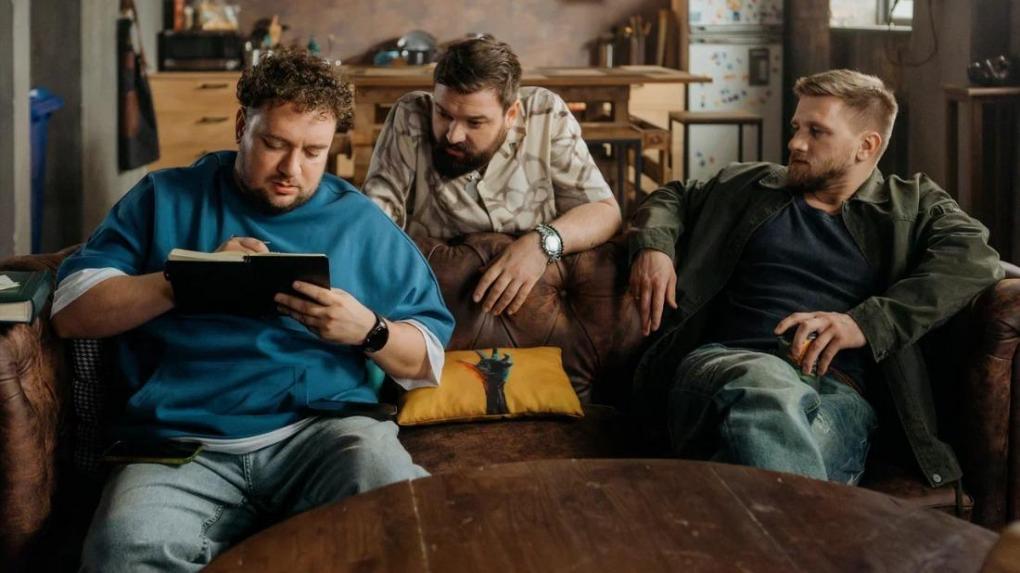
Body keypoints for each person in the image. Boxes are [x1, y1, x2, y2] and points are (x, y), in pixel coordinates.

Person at [51, 49, 455, 572]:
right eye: (274, 144)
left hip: (326, 436)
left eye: (313, 152)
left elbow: (427, 359)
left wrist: (368, 331)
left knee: (411, 521)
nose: (292, 169)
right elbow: (72, 311)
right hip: (181, 447)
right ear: (242, 126)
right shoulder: (165, 196)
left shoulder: (360, 221)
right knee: (122, 551)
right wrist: (187, 281)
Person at [627, 69, 1002, 487]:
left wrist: (865, 323)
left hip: (839, 398)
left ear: (866, 146)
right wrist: (654, 247)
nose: (795, 143)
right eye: (797, 127)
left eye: (816, 131)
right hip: (724, 367)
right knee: (765, 386)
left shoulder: (911, 205)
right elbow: (672, 195)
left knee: (765, 452)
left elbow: (975, 258)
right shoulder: (749, 185)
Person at [363, 36, 621, 317]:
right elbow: (373, 220)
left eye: (474, 122)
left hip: (536, 308)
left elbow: (604, 211)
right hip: (436, 303)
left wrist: (541, 245)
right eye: (443, 114)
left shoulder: (545, 113)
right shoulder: (411, 115)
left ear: (511, 114)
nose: (453, 135)